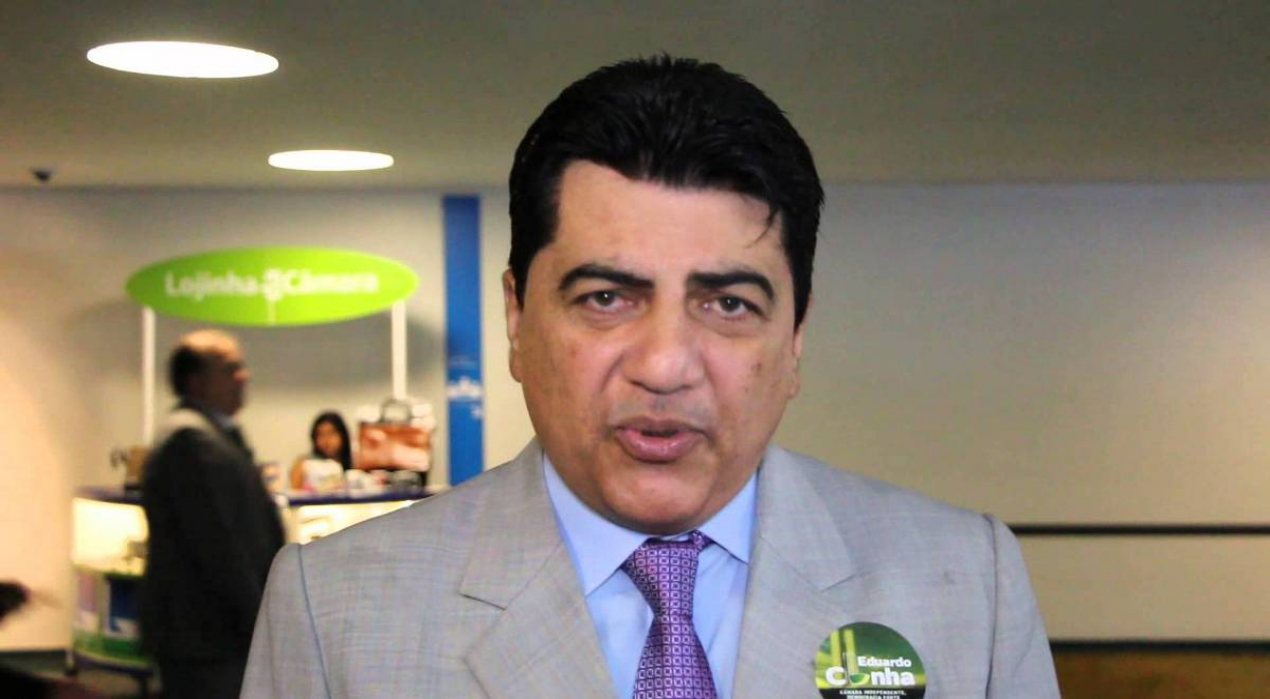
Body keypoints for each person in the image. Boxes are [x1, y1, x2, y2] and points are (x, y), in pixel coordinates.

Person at [242, 56, 1059, 698]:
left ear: (796, 337)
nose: (664, 365)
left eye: (729, 304)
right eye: (606, 298)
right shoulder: (336, 609)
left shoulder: (968, 585)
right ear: (518, 318)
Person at [140, 330, 284, 699]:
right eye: (230, 368)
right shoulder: (191, 441)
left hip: (211, 634)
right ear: (195, 380)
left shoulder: (210, 435)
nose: (244, 376)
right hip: (207, 636)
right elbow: (219, 548)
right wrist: (261, 624)